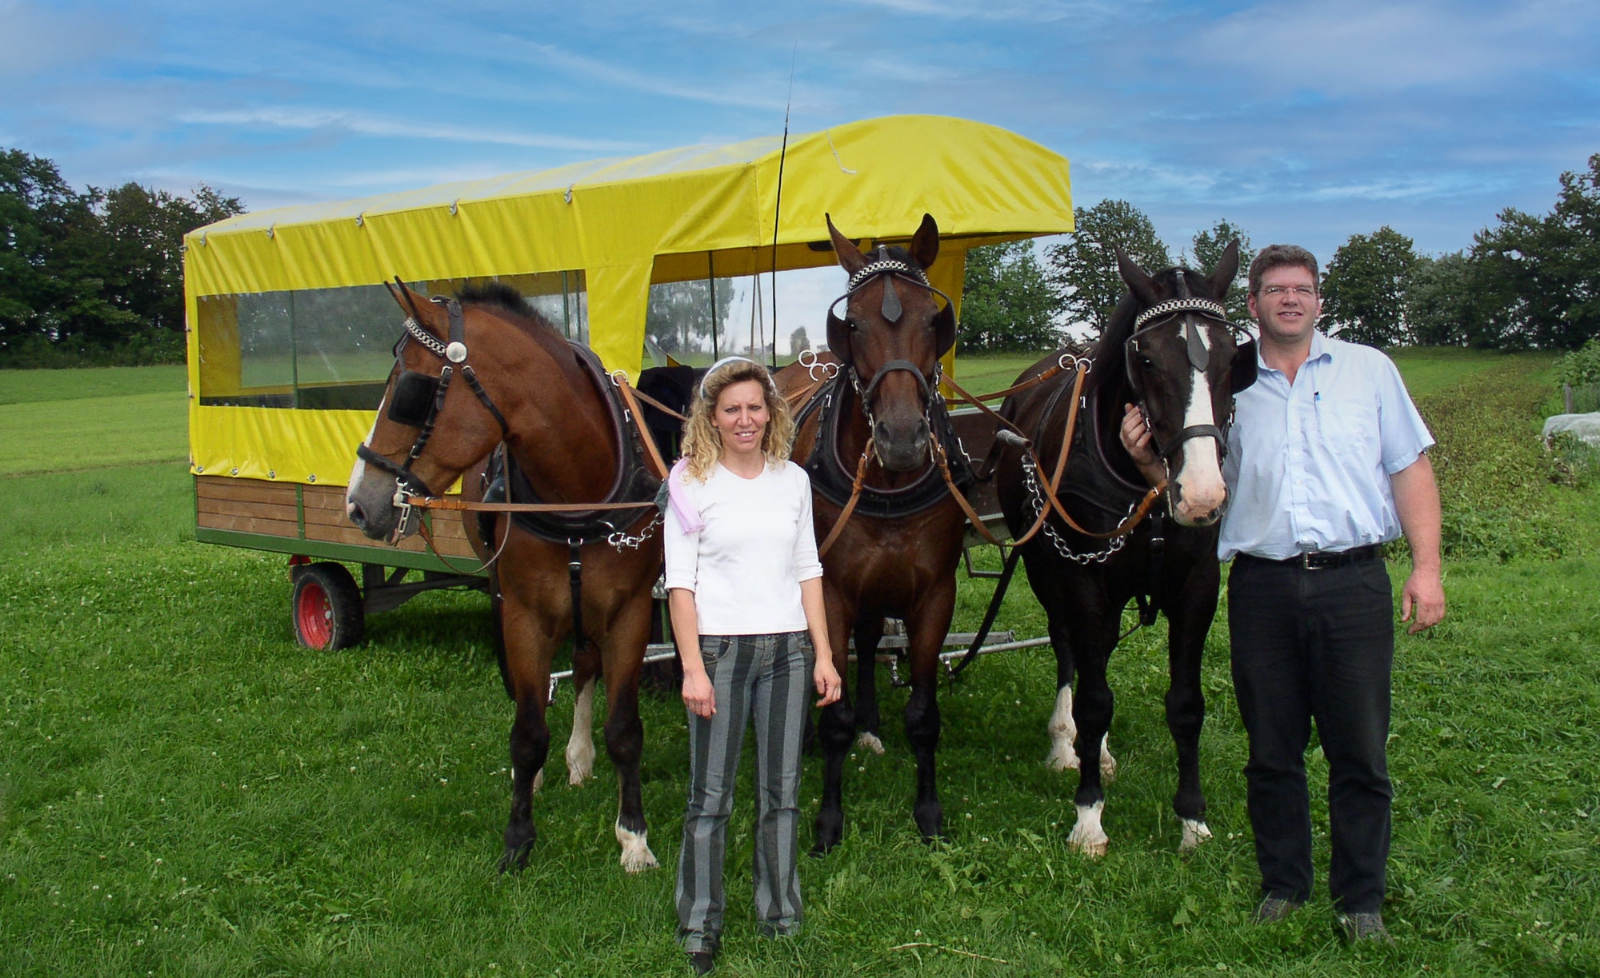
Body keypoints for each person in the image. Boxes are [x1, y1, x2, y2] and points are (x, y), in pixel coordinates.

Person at [1120, 245, 1446, 943]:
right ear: (1253, 305)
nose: (1289, 300)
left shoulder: (1370, 371)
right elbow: (1200, 490)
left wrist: (1427, 568)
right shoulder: (1225, 382)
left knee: (1360, 750)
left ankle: (1361, 900)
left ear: (1319, 301)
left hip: (1355, 583)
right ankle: (1284, 883)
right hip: (1263, 586)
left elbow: (1409, 468)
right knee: (1271, 748)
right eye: (1275, 290)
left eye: (1301, 289)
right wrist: (1151, 461)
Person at [662, 355, 842, 975]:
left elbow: (808, 569)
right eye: (732, 409)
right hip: (719, 654)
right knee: (709, 798)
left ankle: (781, 913)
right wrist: (691, 667)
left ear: (772, 413)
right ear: (711, 417)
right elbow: (679, 586)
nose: (745, 419)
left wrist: (823, 653)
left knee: (782, 792)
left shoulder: (792, 480)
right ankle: (700, 923)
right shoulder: (688, 484)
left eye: (755, 408)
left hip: (788, 653)